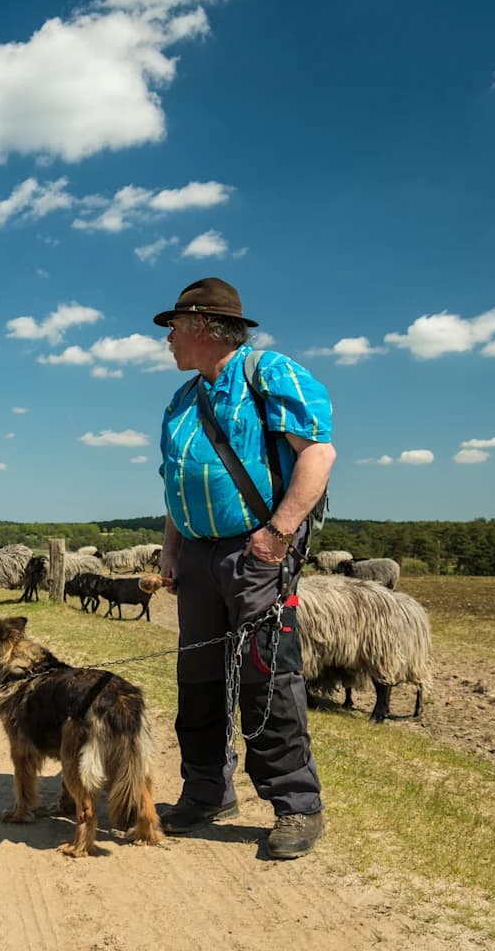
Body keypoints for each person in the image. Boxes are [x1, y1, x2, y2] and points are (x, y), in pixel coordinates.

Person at [154, 278, 336, 859]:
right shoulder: (183, 400)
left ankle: (296, 805)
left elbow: (318, 453)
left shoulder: (269, 373)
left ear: (203, 327)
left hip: (256, 552)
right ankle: (206, 791)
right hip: (199, 555)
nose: (168, 339)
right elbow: (178, 483)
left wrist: (278, 534)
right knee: (198, 678)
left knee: (267, 676)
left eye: (174, 328)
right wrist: (172, 550)